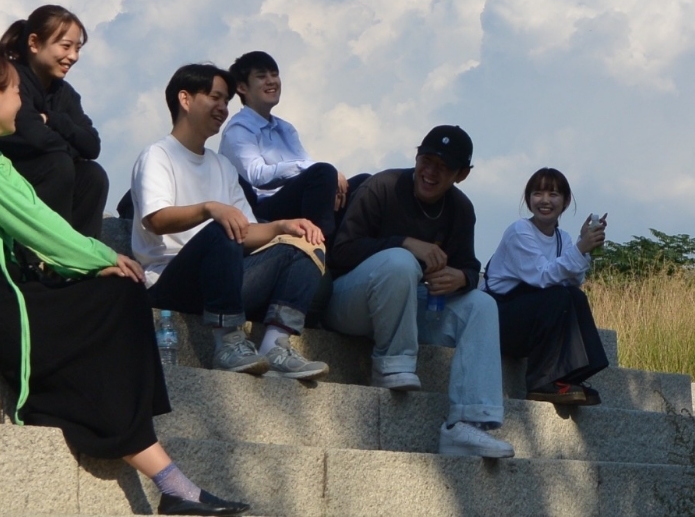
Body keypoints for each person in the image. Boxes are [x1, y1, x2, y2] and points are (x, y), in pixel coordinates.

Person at [0, 53, 248, 516]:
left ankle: (175, 488)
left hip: (7, 284)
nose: (22, 102)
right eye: (16, 92)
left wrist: (99, 265)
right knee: (117, 292)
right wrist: (101, 256)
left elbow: (41, 219)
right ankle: (176, 487)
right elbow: (33, 223)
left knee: (120, 293)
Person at [130, 63, 330, 381]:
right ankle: (228, 342)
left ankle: (275, 345)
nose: (223, 108)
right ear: (185, 99)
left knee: (305, 241)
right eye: (215, 98)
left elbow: (245, 230)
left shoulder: (222, 166)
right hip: (171, 284)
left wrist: (283, 227)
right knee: (220, 229)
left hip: (224, 280)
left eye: (226, 101)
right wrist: (210, 209)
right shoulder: (157, 155)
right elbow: (156, 220)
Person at [325, 126, 514, 460]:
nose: (430, 172)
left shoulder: (461, 208)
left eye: (443, 167)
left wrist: (461, 278)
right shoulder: (382, 186)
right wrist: (404, 242)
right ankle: (391, 365)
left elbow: (470, 266)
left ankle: (468, 423)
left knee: (483, 304)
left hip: (410, 308)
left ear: (462, 175)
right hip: (351, 303)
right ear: (416, 157)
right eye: (426, 160)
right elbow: (339, 254)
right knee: (401, 262)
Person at [483, 167, 610, 405]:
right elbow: (541, 277)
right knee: (557, 297)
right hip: (497, 319)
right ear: (528, 199)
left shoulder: (563, 238)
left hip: (531, 322)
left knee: (574, 296)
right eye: (538, 193)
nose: (545, 201)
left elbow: (572, 281)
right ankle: (541, 381)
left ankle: (569, 377)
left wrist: (583, 248)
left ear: (565, 201)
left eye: (553, 195)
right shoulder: (520, 231)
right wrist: (581, 248)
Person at [0, 5, 108, 240]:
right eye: (66, 46)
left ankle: (84, 256)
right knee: (59, 163)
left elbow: (92, 146)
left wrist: (55, 120)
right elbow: (32, 136)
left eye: (77, 48)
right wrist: (67, 146)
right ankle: (45, 255)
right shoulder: (10, 80)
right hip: (6, 180)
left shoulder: (65, 93)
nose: (73, 56)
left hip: (49, 177)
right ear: (34, 43)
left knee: (93, 174)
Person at [219, 51, 359, 240]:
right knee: (323, 173)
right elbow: (256, 175)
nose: (271, 81)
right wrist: (324, 172)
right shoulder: (239, 129)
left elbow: (308, 165)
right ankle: (320, 247)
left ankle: (352, 244)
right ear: (242, 87)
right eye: (261, 77)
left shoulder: (285, 128)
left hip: (294, 198)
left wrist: (332, 183)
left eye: (274, 75)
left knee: (362, 185)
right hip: (261, 212)